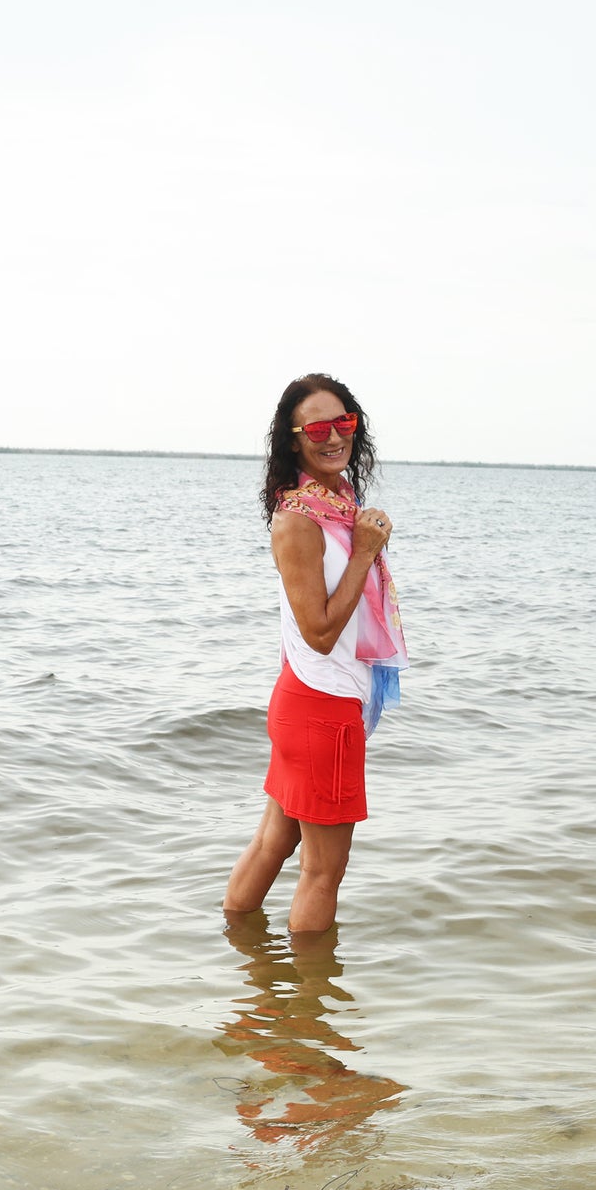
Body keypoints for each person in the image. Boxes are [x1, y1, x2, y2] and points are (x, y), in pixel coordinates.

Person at [223, 373, 408, 934]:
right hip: (321, 708)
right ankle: (309, 1009)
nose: (334, 437)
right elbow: (320, 632)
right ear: (293, 438)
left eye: (344, 423)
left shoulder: (336, 503)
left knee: (273, 842)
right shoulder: (299, 519)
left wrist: (360, 537)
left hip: (305, 701)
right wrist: (365, 552)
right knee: (323, 872)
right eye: (319, 427)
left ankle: (241, 954)